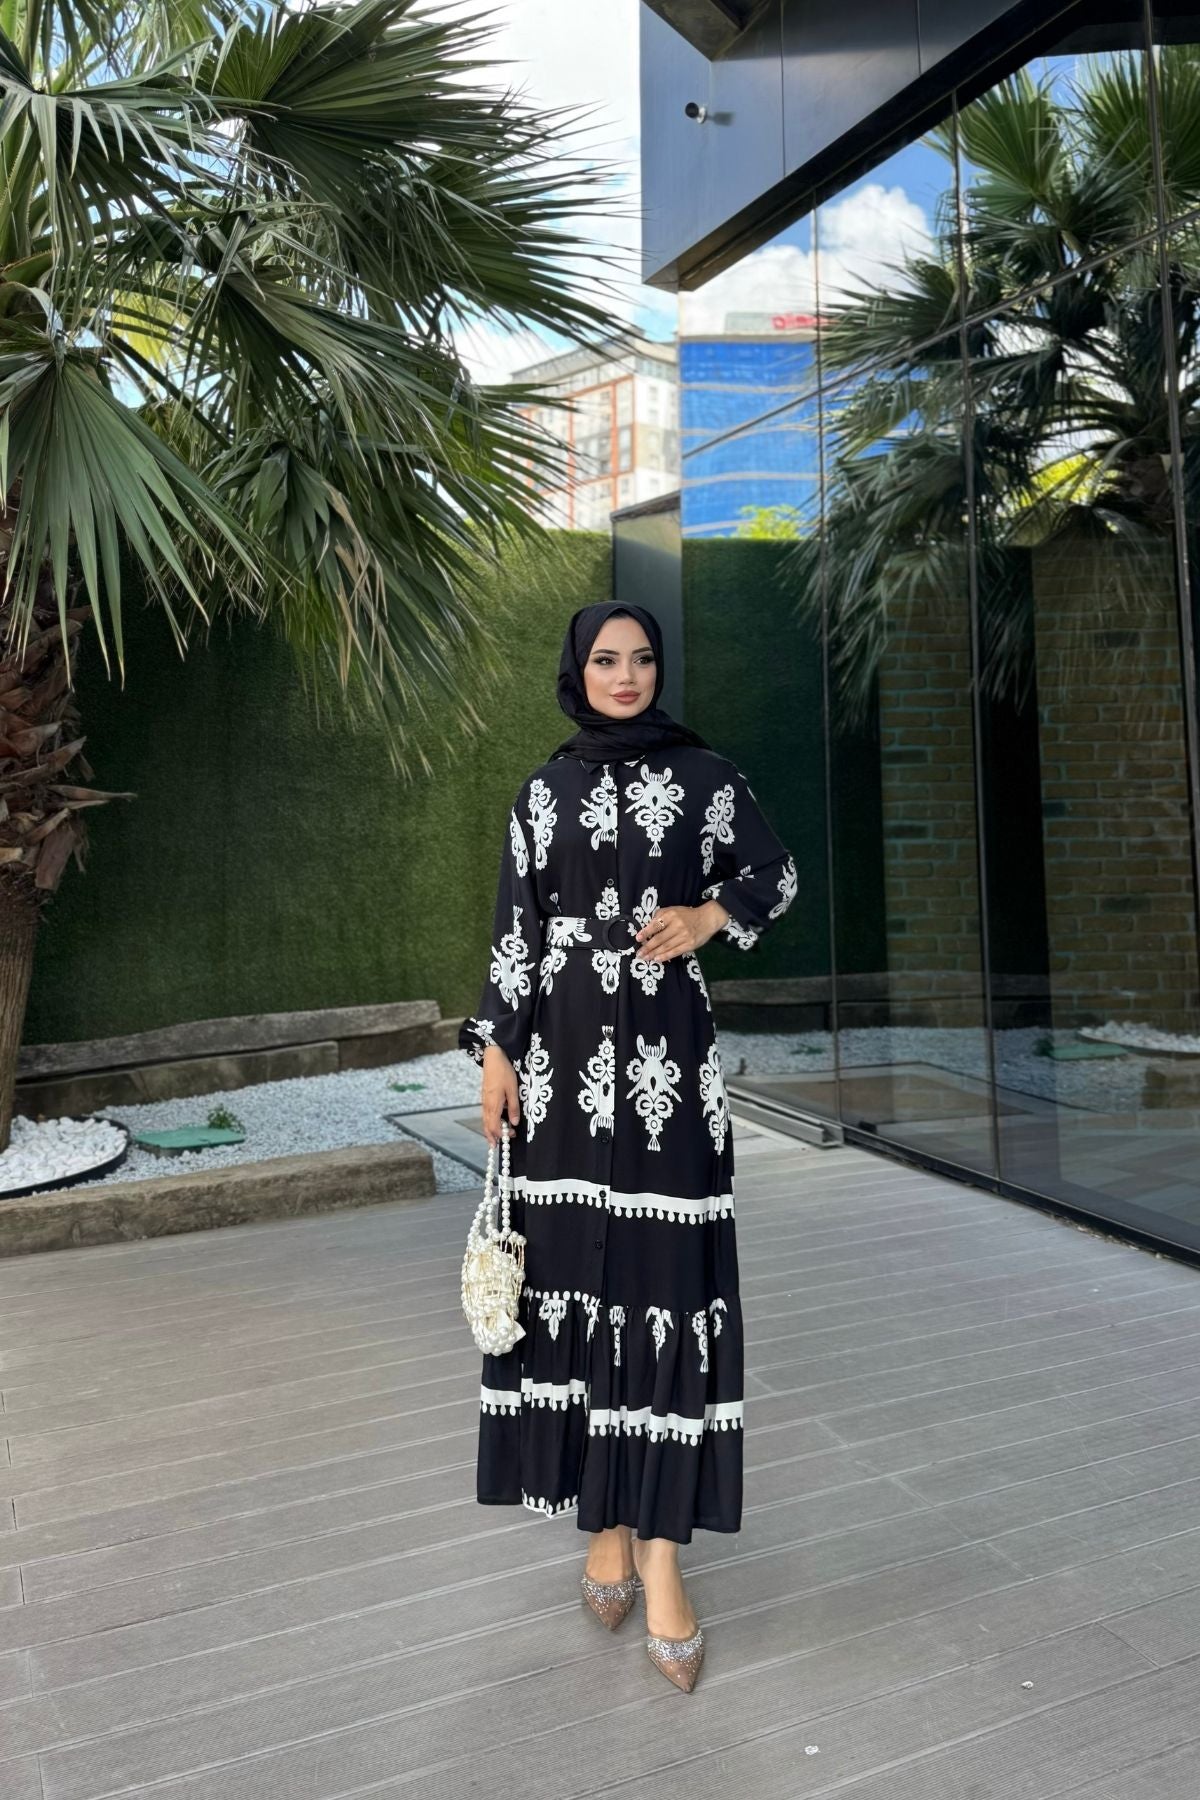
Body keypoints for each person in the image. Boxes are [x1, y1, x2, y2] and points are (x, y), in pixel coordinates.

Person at [459, 600, 797, 1692]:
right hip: (558, 1072)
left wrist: (707, 918)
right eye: (606, 659)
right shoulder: (540, 792)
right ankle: (602, 1526)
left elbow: (775, 875)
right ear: (578, 669)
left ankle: (659, 1558)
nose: (626, 675)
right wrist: (496, 1054)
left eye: (643, 658)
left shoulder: (706, 777)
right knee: (574, 1290)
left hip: (668, 1078)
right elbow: (515, 933)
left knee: (663, 1290)